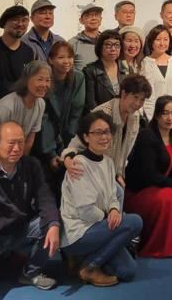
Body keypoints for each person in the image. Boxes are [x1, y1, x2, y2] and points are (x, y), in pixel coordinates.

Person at [0, 121, 61, 292]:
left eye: (20, 142)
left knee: (54, 224)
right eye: (11, 143)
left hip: (22, 229)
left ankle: (30, 273)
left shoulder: (32, 165)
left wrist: (53, 224)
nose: (16, 148)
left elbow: (45, 198)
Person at [60, 111, 143, 286]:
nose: (104, 137)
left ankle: (81, 259)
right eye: (97, 132)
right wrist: (108, 217)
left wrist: (114, 209)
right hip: (79, 232)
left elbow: (113, 195)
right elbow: (85, 210)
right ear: (86, 137)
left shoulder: (108, 162)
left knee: (127, 271)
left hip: (99, 229)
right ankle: (90, 266)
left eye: (107, 132)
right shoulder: (78, 164)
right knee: (135, 221)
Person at [123, 96, 172, 258]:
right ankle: (157, 248)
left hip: (158, 188)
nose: (170, 118)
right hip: (138, 192)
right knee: (169, 196)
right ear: (157, 115)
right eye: (165, 113)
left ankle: (153, 237)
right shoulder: (147, 136)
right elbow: (147, 173)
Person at [63, 74, 152, 191]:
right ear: (124, 93)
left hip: (111, 175)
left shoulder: (135, 116)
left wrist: (118, 174)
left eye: (142, 100)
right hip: (90, 171)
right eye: (135, 97)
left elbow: (124, 152)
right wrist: (68, 158)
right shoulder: (102, 113)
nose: (138, 104)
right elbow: (76, 144)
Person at [37, 41, 86, 194]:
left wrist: (68, 149)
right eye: (61, 57)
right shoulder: (45, 80)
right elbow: (44, 120)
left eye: (70, 57)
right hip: (44, 140)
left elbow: (76, 113)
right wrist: (51, 153)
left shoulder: (78, 78)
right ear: (50, 60)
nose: (66, 61)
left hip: (68, 139)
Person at [0, 61, 50, 161]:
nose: (44, 84)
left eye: (47, 80)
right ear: (26, 80)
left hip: (10, 154)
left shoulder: (41, 104)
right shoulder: (7, 107)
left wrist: (20, 163)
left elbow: (30, 138)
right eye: (40, 79)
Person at [0, 5, 40, 101]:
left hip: (21, 106)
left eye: (24, 20)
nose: (20, 24)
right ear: (4, 23)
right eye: (15, 20)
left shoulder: (31, 52)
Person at [83, 30, 127, 112]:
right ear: (100, 47)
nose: (113, 49)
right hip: (100, 116)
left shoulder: (126, 69)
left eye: (117, 45)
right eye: (108, 45)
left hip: (122, 115)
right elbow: (91, 104)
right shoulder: (90, 71)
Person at [69, 3, 103, 70]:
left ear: (101, 19)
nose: (93, 18)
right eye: (88, 16)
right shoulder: (73, 44)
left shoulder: (106, 42)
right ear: (81, 20)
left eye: (96, 15)